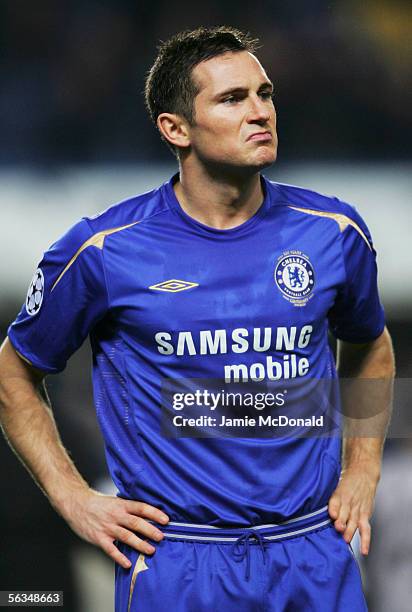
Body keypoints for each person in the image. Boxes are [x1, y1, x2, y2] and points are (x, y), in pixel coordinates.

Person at [0, 26, 394, 612]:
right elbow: (14, 373)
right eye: (233, 99)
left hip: (313, 550)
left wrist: (362, 470)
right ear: (175, 128)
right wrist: (75, 498)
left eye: (266, 94)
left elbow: (371, 345)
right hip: (181, 560)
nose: (261, 112)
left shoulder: (333, 230)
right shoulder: (106, 250)